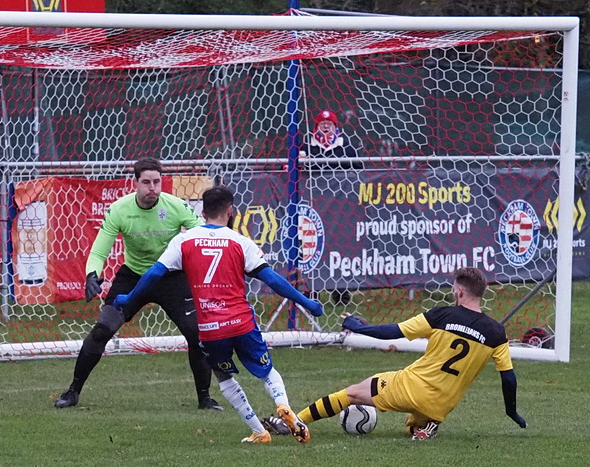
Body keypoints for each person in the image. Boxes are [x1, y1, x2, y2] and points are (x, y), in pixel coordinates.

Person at [114, 185, 325, 444]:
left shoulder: (184, 240)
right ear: (230, 210)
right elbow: (272, 279)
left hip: (211, 328)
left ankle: (259, 431)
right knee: (267, 371)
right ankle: (282, 405)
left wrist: (130, 297)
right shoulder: (240, 242)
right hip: (241, 323)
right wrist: (307, 302)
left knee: (224, 376)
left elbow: (154, 273)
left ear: (202, 212)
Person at [274, 267, 527, 440]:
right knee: (413, 424)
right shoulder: (496, 332)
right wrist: (511, 412)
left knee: (351, 393)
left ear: (460, 291)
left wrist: (359, 327)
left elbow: (393, 331)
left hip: (412, 386)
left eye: (454, 288)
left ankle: (295, 421)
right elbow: (509, 378)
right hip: (442, 404)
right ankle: (427, 425)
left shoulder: (442, 315)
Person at [54, 157, 222, 411]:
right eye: (146, 182)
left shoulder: (176, 206)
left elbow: (204, 234)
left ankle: (205, 398)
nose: (153, 187)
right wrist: (91, 275)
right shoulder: (120, 210)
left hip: (171, 276)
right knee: (102, 330)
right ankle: (73, 391)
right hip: (133, 276)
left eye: (157, 182)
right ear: (136, 183)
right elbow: (99, 252)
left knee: (196, 334)